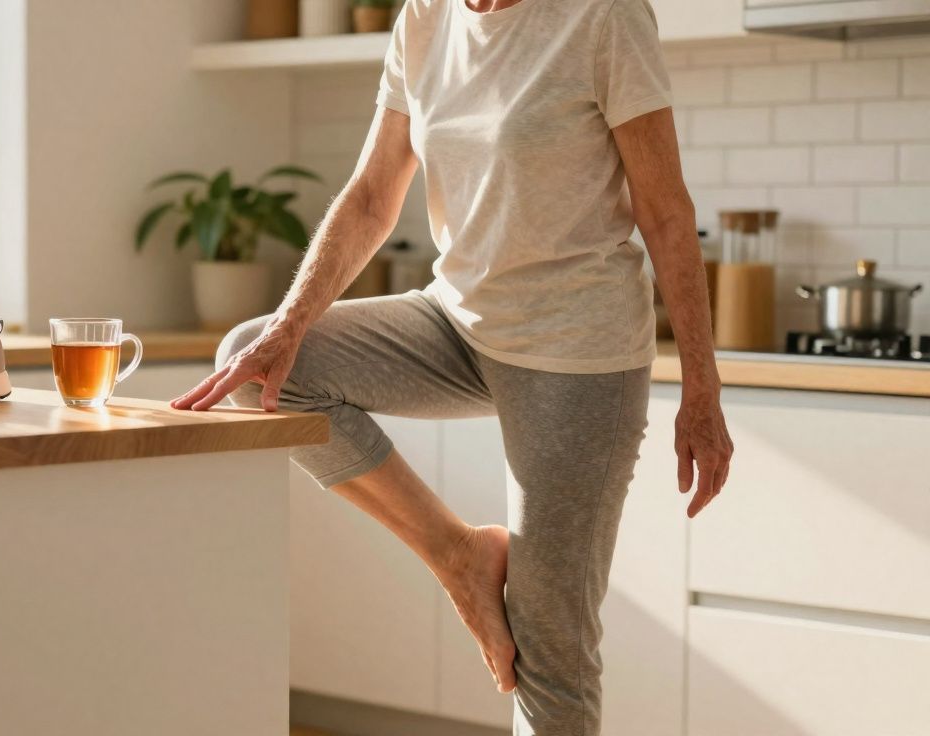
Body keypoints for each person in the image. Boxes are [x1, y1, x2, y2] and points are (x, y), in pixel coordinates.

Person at [172, 0, 734, 732]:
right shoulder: (425, 17)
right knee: (262, 371)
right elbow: (373, 197)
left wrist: (702, 385)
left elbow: (664, 210)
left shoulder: (604, 14)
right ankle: (460, 556)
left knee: (548, 646)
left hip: (578, 350)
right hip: (456, 322)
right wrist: (286, 327)